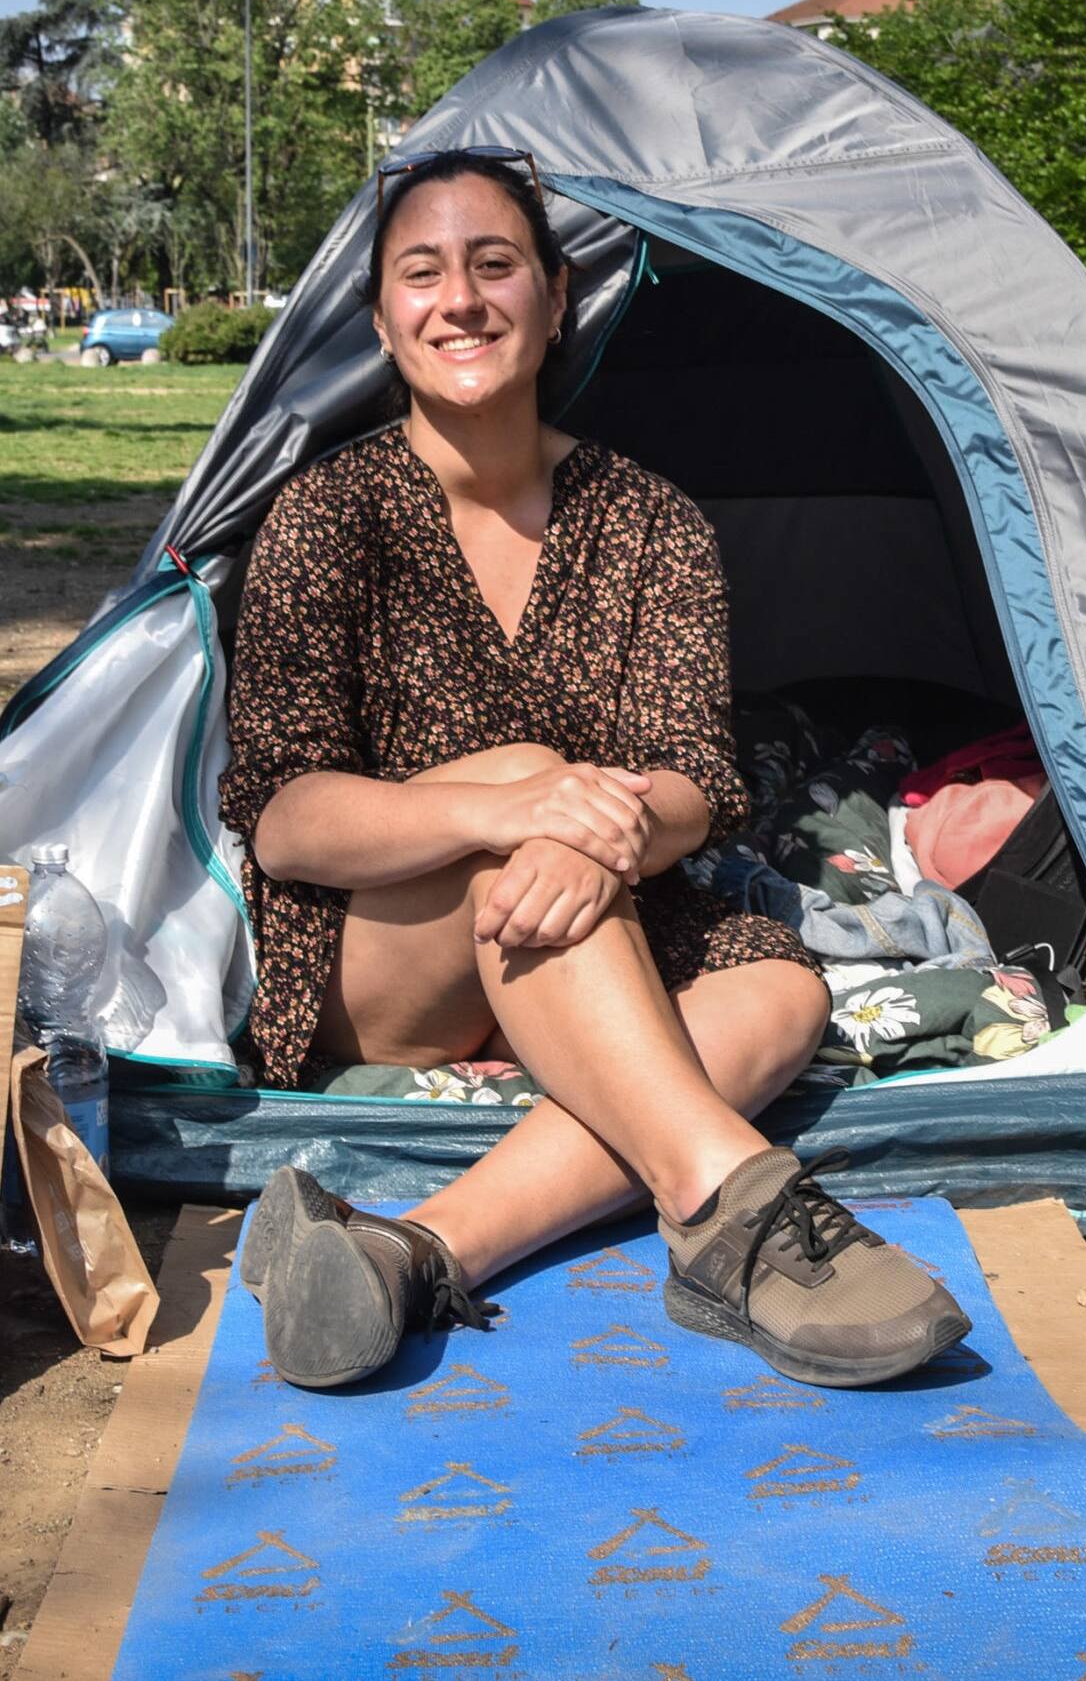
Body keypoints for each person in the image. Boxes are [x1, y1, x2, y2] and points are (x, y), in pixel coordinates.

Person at [218, 148, 970, 1393]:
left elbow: (692, 780)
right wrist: (515, 807)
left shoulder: (650, 519)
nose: (459, 299)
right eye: (421, 274)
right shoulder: (324, 517)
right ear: (381, 319)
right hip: (383, 962)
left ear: (558, 297)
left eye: (492, 264)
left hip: (588, 908)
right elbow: (287, 820)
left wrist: (590, 834)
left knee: (781, 996)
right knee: (527, 786)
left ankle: (410, 1251)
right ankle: (732, 1210)